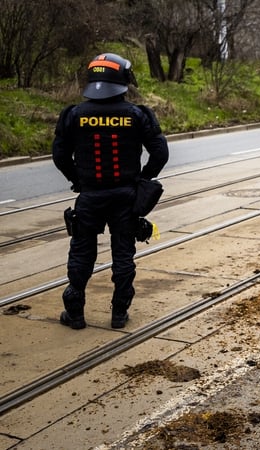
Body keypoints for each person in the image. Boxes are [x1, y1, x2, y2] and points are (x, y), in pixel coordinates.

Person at [52, 53, 169, 330]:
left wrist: (76, 179)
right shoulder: (138, 115)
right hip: (125, 197)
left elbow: (59, 155)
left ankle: (75, 313)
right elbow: (160, 153)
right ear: (123, 80)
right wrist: (143, 179)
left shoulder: (73, 115)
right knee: (123, 254)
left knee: (81, 253)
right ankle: (119, 313)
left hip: (90, 197)